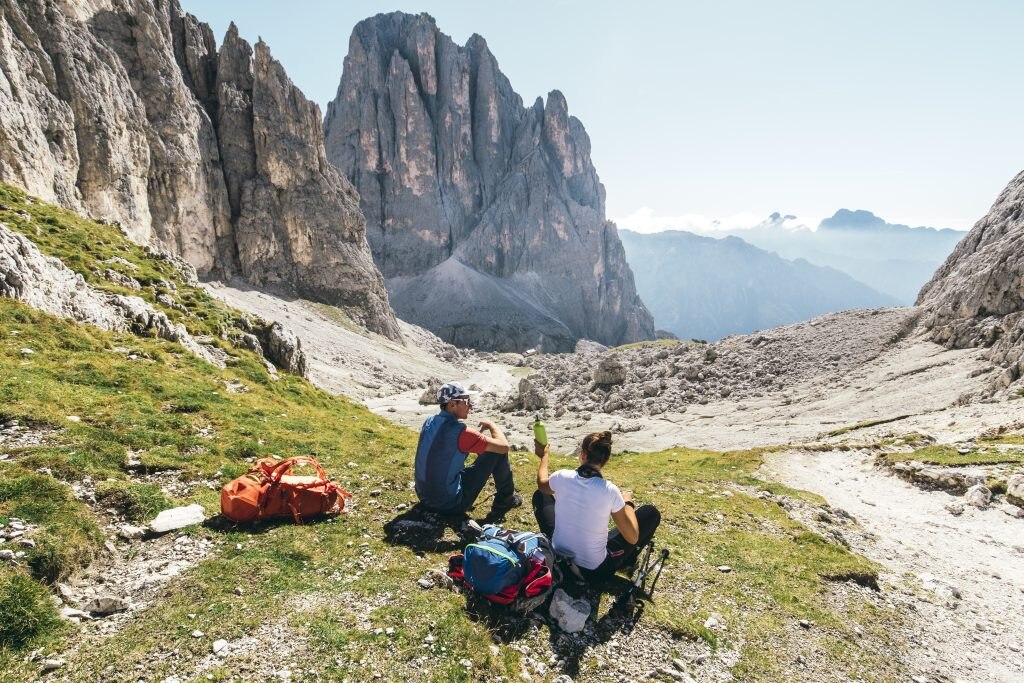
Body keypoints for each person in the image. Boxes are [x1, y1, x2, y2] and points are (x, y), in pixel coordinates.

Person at [533, 430, 661, 580]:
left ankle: (561, 544)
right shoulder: (609, 490)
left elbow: (542, 484)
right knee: (650, 513)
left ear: (582, 454)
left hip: (557, 559)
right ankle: (628, 562)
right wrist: (628, 503)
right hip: (593, 573)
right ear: (605, 461)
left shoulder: (562, 476)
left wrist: (544, 456)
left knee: (541, 494)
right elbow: (632, 537)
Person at [414, 382, 523, 514]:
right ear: (452, 404)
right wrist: (492, 425)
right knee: (497, 452)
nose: (470, 405)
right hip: (449, 504)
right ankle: (506, 500)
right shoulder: (461, 432)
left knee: (486, 451)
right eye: (466, 401)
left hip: (424, 496)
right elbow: (504, 447)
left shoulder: (429, 421)